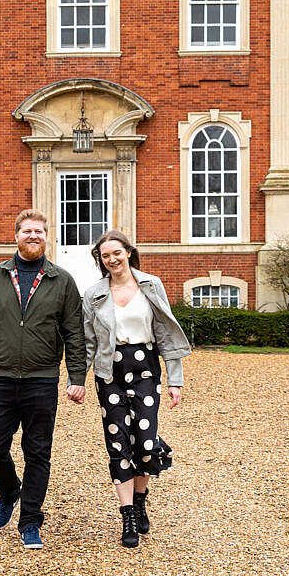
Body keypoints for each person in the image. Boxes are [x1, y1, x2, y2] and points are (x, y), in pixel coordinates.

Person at [0, 209, 87, 550]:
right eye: (27, 231)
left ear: (47, 237)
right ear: (15, 235)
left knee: (38, 453)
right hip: (0, 378)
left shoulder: (61, 281)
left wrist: (77, 376)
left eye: (39, 231)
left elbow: (74, 333)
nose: (33, 236)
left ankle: (30, 520)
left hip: (41, 380)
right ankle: (9, 491)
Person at [82, 230, 191, 548]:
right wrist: (77, 379)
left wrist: (175, 380)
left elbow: (166, 334)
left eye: (117, 252)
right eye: (105, 256)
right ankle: (128, 515)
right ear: (101, 261)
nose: (112, 259)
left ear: (129, 252)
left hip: (145, 368)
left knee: (144, 442)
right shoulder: (94, 294)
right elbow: (88, 341)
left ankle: (140, 498)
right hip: (109, 371)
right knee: (118, 444)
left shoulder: (150, 285)